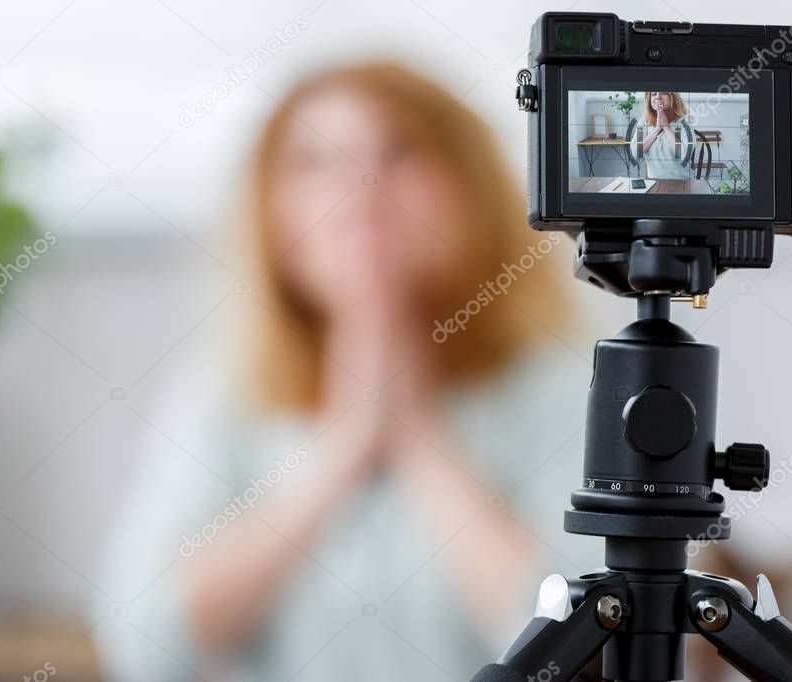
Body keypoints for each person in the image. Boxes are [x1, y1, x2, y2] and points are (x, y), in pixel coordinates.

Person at [92, 61, 589, 681]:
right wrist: (342, 451)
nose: (363, 186)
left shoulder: (566, 390)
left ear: (471, 190)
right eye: (315, 163)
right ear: (272, 217)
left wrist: (419, 437)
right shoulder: (224, 397)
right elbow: (145, 641)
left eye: (400, 151)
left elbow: (589, 647)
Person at [638, 91, 694, 180]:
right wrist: (657, 129)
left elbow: (685, 156)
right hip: (654, 182)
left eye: (663, 93)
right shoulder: (643, 122)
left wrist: (666, 127)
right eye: (653, 94)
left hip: (682, 182)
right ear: (649, 100)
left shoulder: (684, 122)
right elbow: (636, 152)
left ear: (673, 97)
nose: (658, 97)